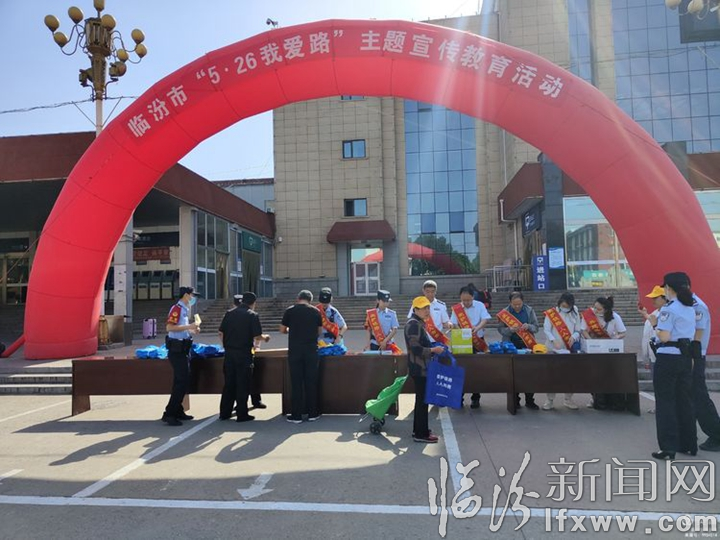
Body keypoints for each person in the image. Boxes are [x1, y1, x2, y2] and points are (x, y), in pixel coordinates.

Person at [649, 272, 697, 460]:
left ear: (669, 288)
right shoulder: (690, 308)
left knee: (665, 402)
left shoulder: (669, 309)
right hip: (685, 357)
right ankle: (689, 443)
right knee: (684, 400)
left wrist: (655, 325)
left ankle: (668, 447)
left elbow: (664, 337)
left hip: (668, 358)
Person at [218, 292, 270, 422]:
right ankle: (242, 414)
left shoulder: (229, 313)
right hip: (244, 354)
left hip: (229, 353)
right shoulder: (252, 315)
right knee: (243, 383)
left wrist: (226, 345)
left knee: (229, 383)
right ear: (253, 303)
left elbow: (221, 332)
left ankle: (224, 412)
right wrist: (266, 338)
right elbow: (257, 336)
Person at [685, 276, 720, 452]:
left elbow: (696, 335)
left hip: (695, 356)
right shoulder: (685, 305)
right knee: (690, 396)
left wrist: (692, 356)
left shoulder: (697, 306)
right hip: (687, 356)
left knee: (699, 396)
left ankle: (716, 434)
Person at [404, 295, 446, 444]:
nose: (426, 310)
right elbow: (415, 348)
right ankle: (420, 434)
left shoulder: (418, 323)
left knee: (422, 401)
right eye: (422, 308)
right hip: (419, 368)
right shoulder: (414, 324)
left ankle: (420, 430)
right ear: (415, 309)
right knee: (422, 402)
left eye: (428, 307)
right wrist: (433, 350)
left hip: (421, 367)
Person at [280, 290, 323, 424]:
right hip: (311, 351)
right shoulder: (316, 312)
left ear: (298, 298)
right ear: (310, 300)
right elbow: (319, 331)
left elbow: (282, 329)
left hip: (295, 351)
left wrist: (291, 330)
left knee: (296, 383)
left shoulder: (290, 311)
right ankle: (312, 413)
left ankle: (296, 415)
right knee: (311, 382)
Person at [162, 286, 201, 426]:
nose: (193, 298)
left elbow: (180, 330)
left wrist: (192, 330)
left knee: (182, 381)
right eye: (192, 295)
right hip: (176, 350)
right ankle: (170, 413)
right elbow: (169, 327)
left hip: (183, 349)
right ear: (186, 295)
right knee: (181, 382)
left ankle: (178, 410)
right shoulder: (177, 309)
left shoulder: (184, 309)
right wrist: (189, 327)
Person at [581, 296, 627, 411]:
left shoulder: (615, 317)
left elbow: (623, 332)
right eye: (595, 307)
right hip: (594, 349)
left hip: (609, 349)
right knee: (594, 375)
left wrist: (615, 338)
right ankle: (596, 399)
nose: (596, 311)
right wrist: (590, 341)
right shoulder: (589, 316)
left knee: (609, 375)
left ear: (606, 309)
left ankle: (611, 401)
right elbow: (583, 330)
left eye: (599, 309)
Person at [497, 292, 540, 410]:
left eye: (519, 304)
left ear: (523, 302)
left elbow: (536, 327)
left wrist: (529, 326)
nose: (517, 306)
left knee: (528, 373)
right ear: (510, 302)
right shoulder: (505, 313)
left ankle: (530, 400)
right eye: (514, 304)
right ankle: (515, 401)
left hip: (527, 345)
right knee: (512, 374)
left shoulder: (529, 311)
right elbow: (500, 329)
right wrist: (510, 330)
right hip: (511, 345)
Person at [450, 285, 491, 409]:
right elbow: (453, 323)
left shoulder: (479, 305)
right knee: (460, 369)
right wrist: (462, 331)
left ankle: (475, 398)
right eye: (463, 300)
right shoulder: (457, 308)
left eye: (468, 300)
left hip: (478, 340)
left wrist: (477, 328)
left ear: (473, 297)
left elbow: (485, 319)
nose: (466, 303)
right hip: (462, 342)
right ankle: (459, 398)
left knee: (477, 370)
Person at [542, 292, 583, 410]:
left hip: (568, 348)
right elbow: (546, 329)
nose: (565, 308)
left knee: (570, 374)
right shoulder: (552, 313)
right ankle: (549, 400)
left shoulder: (575, 311)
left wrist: (573, 337)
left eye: (567, 306)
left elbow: (578, 329)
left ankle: (568, 399)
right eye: (563, 306)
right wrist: (553, 340)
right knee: (551, 375)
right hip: (553, 348)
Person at [638, 286, 668, 415]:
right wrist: (646, 357)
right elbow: (647, 336)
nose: (653, 300)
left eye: (656, 298)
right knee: (658, 384)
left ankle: (666, 408)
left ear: (665, 298)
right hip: (653, 356)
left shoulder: (668, 314)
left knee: (664, 384)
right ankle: (660, 406)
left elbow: (662, 335)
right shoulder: (655, 313)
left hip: (664, 356)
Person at [407, 280, 452, 346]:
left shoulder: (441, 305)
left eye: (432, 291)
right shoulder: (417, 304)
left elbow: (445, 322)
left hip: (436, 340)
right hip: (421, 340)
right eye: (427, 292)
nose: (430, 294)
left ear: (436, 291)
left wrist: (449, 325)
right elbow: (411, 320)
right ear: (423, 291)